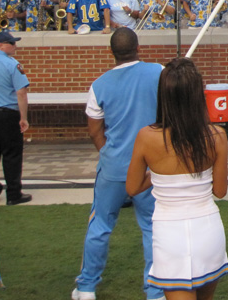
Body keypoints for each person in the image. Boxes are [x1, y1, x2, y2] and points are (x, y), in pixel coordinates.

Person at [126, 58, 228, 300]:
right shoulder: (217, 136)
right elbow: (221, 191)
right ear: (197, 94)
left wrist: (159, 176)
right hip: (208, 231)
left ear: (164, 95)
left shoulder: (146, 137)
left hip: (169, 233)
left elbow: (132, 187)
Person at [73, 28, 164, 300]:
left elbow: (94, 131)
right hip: (150, 167)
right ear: (139, 48)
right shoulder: (158, 72)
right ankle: (155, 290)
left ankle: (87, 287)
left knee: (100, 225)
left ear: (110, 52)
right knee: (151, 227)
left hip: (113, 167)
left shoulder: (99, 84)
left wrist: (109, 154)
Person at [0, 31, 31, 206]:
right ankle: (13, 193)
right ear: (1, 45)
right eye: (12, 43)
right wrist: (24, 117)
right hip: (7, 113)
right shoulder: (12, 64)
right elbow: (21, 92)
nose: (15, 46)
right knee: (12, 154)